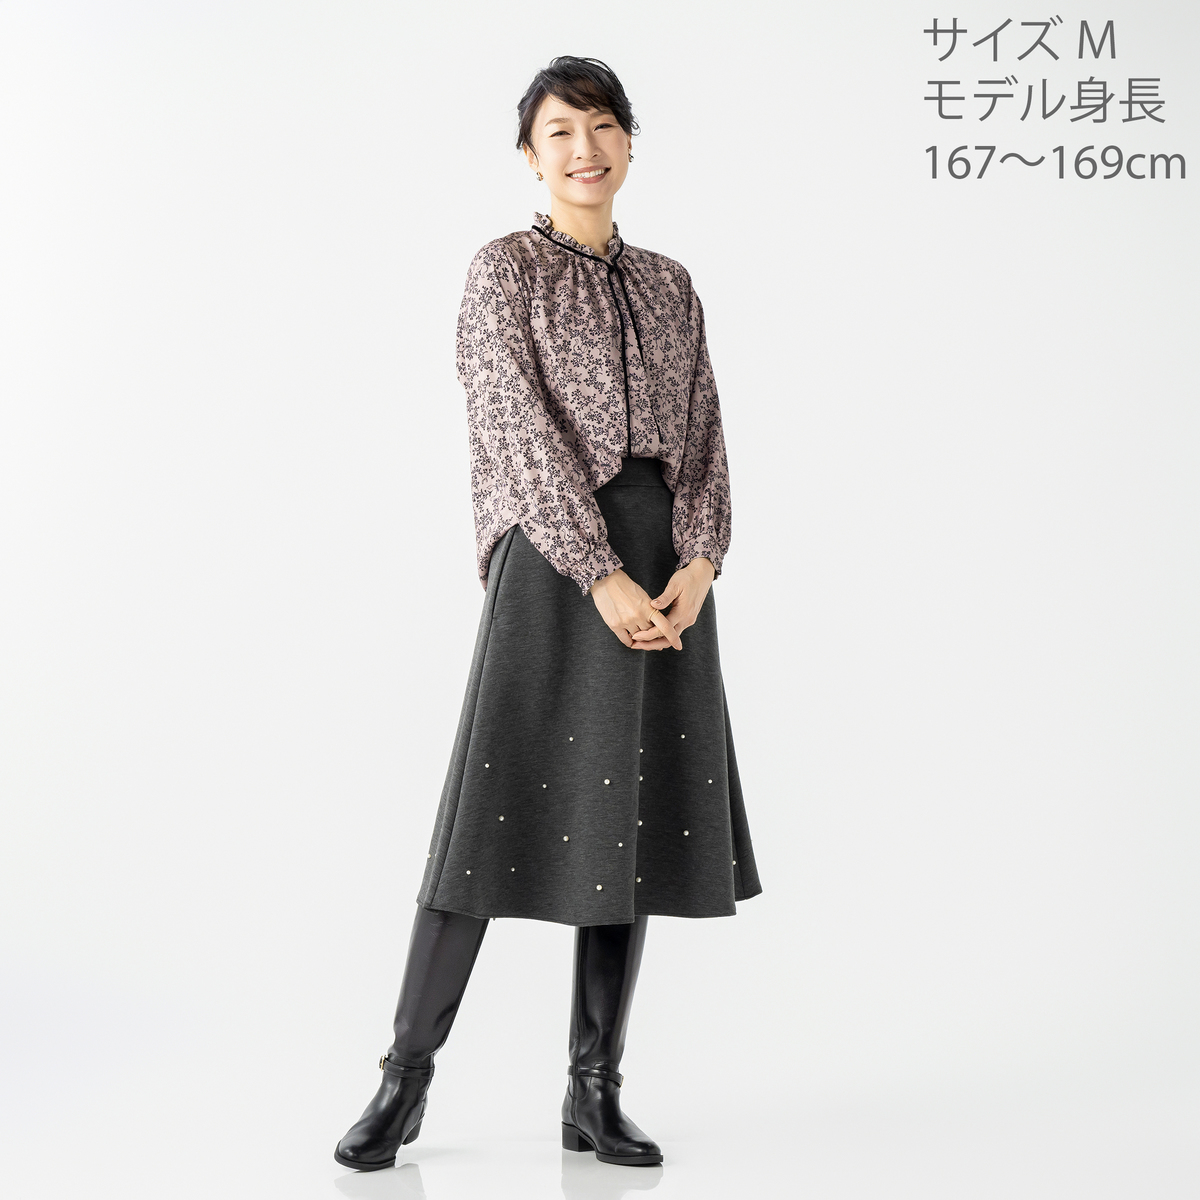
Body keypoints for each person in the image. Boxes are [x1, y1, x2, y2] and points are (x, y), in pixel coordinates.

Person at [334, 55, 761, 1173]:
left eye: (603, 126)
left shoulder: (670, 283)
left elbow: (705, 429)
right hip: (554, 564)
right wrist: (597, 571)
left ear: (630, 142)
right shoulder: (504, 272)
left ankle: (593, 1090)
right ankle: (404, 1080)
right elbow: (515, 430)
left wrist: (700, 560)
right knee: (484, 819)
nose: (585, 148)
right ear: (530, 154)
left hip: (663, 565)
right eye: (561, 131)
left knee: (628, 824)